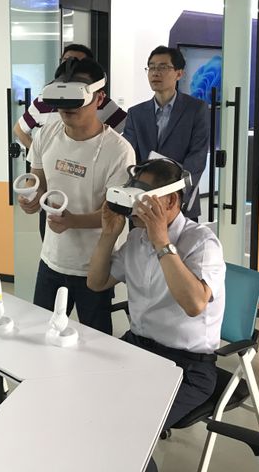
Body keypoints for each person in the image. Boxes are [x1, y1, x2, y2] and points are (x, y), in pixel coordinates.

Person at [87, 158, 225, 472]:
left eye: (142, 197)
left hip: (186, 367)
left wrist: (162, 242)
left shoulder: (202, 243)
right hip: (136, 350)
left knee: (128, 434)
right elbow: (96, 282)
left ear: (171, 200)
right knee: (85, 406)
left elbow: (194, 304)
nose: (134, 207)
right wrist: (109, 235)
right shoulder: (136, 238)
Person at [19, 57, 134, 334]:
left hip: (93, 268)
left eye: (75, 98)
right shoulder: (46, 134)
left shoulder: (118, 151)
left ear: (99, 98)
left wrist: (73, 221)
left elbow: (114, 214)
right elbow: (38, 180)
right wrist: (32, 198)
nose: (66, 108)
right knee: (41, 336)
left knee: (95, 343)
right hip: (51, 260)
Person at [123, 46, 210, 219]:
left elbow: (197, 157)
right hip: (143, 199)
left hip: (178, 201)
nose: (155, 72)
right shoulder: (136, 113)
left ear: (179, 74)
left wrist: (174, 194)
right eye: (152, 67)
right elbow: (129, 154)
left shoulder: (195, 109)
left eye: (163, 67)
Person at [12, 44, 127, 150]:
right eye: (66, 61)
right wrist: (38, 155)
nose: (71, 67)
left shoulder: (98, 101)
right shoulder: (43, 101)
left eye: (78, 62)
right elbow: (19, 129)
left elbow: (128, 128)